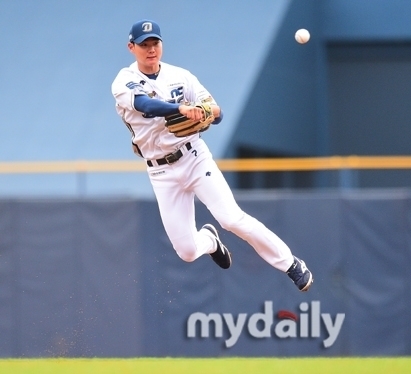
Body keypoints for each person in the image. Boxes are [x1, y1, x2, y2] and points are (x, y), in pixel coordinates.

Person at [111, 19, 313, 291]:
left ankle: (290, 264)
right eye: (144, 44)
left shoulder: (181, 76)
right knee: (186, 251)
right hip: (160, 170)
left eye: (155, 43)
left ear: (162, 44)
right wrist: (180, 109)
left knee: (231, 218)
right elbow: (145, 104)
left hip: (194, 157)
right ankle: (209, 241)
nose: (151, 49)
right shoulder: (124, 80)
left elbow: (218, 113)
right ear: (131, 47)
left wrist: (204, 112)